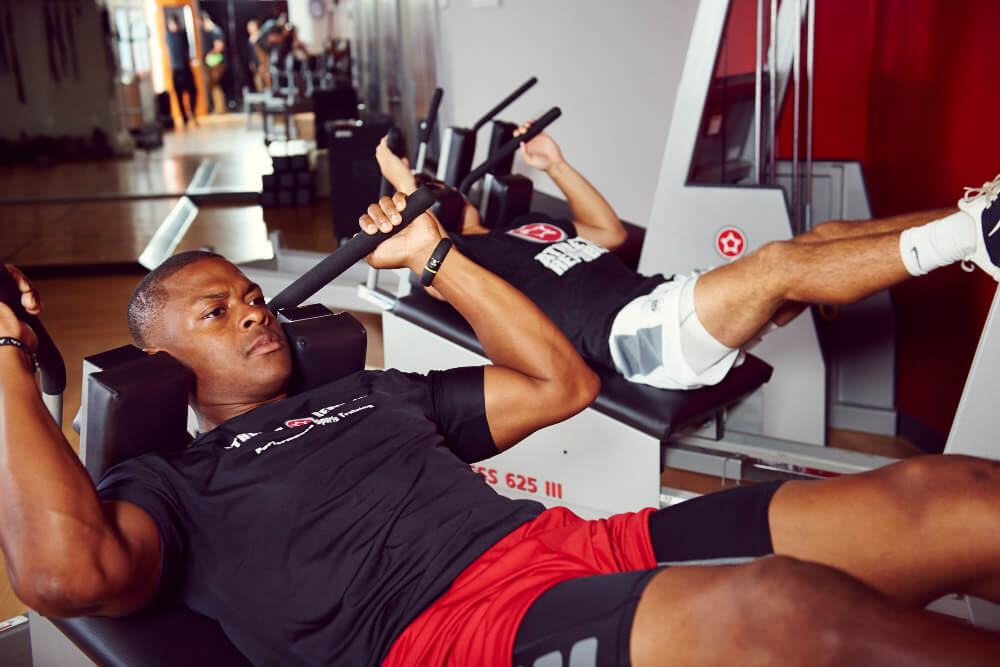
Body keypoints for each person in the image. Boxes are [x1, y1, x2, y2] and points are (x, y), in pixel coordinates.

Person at [3, 197, 1000, 666]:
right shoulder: (172, 484)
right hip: (446, 638)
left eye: (249, 295)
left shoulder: (373, 395)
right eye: (216, 313)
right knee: (787, 614)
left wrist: (439, 257)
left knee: (951, 497)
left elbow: (560, 381)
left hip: (574, 551)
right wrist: (6, 352)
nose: (255, 312)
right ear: (163, 363)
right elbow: (62, 577)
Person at [376, 124, 1000, 391]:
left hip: (663, 294)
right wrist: (400, 186)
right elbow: (428, 267)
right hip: (637, 337)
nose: (429, 193)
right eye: (420, 193)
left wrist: (556, 165)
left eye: (432, 185)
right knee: (781, 262)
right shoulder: (454, 266)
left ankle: (973, 213)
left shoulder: (522, 228)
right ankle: (973, 239)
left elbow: (608, 233)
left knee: (824, 234)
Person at [164, 14, 197, 127]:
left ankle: (191, 113)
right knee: (179, 96)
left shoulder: (181, 35)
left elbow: (187, 51)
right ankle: (185, 117)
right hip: (177, 69)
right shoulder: (169, 36)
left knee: (193, 91)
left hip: (184, 68)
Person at [197, 11, 227, 114]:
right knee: (214, 86)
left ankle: (221, 109)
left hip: (217, 63)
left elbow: (219, 46)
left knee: (215, 85)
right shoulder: (210, 32)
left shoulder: (215, 31)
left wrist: (209, 54)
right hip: (213, 63)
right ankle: (219, 108)